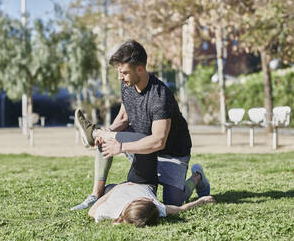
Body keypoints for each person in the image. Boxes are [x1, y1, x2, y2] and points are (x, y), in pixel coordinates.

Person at [71, 40, 206, 210]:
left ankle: (198, 176)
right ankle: (96, 194)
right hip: (143, 148)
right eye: (119, 72)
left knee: (172, 203)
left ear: (140, 69)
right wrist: (109, 132)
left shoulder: (159, 96)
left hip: (172, 153)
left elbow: (158, 141)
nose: (120, 77)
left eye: (124, 73)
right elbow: (123, 118)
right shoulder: (127, 84)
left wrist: (120, 146)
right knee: (105, 137)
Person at [88, 182, 215, 227]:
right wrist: (200, 201)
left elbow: (91, 211)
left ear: (131, 203)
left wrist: (115, 190)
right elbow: (181, 208)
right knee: (176, 199)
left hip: (124, 186)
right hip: (140, 186)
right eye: (151, 201)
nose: (152, 200)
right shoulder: (157, 207)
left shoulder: (109, 210)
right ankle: (197, 177)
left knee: (108, 188)